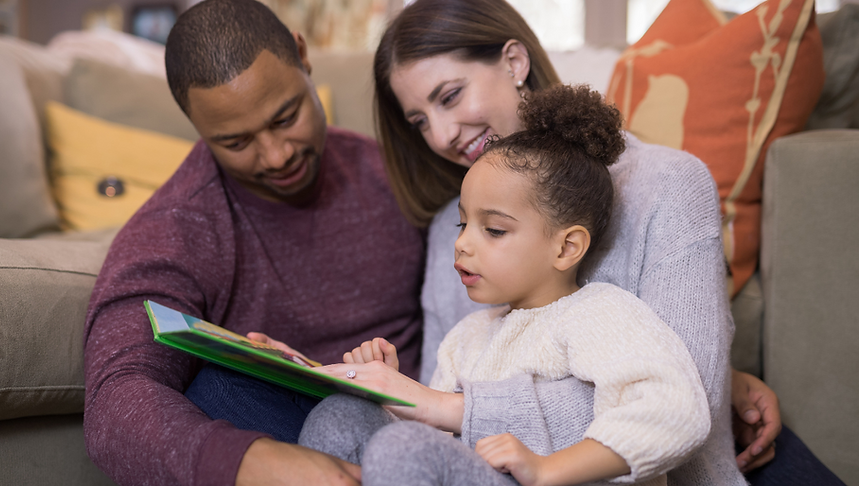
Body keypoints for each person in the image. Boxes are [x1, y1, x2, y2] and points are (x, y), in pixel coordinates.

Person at [366, 0, 844, 485]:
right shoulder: (453, 223)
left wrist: (455, 409)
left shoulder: (666, 185)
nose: (442, 135)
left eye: (448, 96)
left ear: (514, 63)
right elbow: (436, 406)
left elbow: (679, 402)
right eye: (419, 121)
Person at [81, 1, 425, 485]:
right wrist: (253, 464)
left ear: (303, 56)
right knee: (215, 389)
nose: (277, 155)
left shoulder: (396, 173)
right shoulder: (177, 227)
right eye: (237, 143)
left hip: (426, 422)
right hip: (288, 429)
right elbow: (116, 400)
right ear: (196, 126)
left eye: (286, 118)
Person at [299, 84, 713, 486]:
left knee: (405, 449)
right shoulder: (467, 338)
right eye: (463, 224)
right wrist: (395, 397)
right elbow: (438, 447)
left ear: (567, 247)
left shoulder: (599, 314)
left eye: (494, 229)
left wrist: (548, 469)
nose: (461, 243)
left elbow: (675, 411)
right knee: (340, 417)